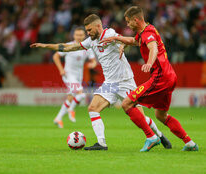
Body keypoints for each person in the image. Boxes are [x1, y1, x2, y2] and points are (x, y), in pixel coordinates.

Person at [30, 14, 171, 152]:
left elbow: (123, 40)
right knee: (92, 108)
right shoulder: (91, 41)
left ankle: (159, 135)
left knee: (140, 117)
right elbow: (68, 48)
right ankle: (101, 143)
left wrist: (122, 45)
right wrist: (45, 46)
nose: (88, 33)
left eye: (90, 30)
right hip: (110, 84)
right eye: (87, 31)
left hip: (125, 81)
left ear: (98, 26)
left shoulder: (109, 33)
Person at [100, 6, 198, 151]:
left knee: (127, 103)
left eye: (128, 22)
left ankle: (151, 137)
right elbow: (134, 41)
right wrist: (117, 39)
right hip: (170, 76)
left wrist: (149, 63)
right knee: (161, 115)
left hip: (161, 77)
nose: (127, 25)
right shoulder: (147, 30)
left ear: (136, 20)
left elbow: (153, 48)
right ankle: (189, 143)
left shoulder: (148, 33)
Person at [53, 27, 97, 128]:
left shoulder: (86, 47)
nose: (79, 37)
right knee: (81, 94)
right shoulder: (69, 45)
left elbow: (93, 60)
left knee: (70, 97)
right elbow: (55, 56)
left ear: (84, 36)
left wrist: (93, 64)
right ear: (74, 36)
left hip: (78, 76)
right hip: (68, 75)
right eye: (77, 35)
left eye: (81, 35)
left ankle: (58, 118)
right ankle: (71, 109)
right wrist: (61, 69)